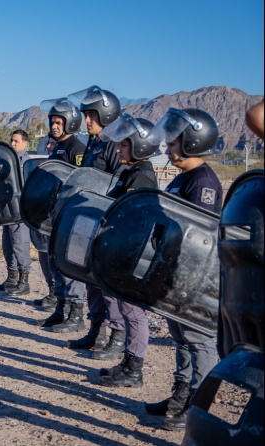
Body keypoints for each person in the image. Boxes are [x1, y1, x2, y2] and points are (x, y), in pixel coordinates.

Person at [143, 107, 222, 431]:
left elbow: (197, 237)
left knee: (199, 340)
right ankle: (181, 394)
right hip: (174, 272)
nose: (168, 148)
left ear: (193, 142)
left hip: (194, 277)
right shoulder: (182, 177)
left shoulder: (203, 182)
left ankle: (198, 408)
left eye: (174, 143)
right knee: (181, 338)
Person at [94, 114, 160, 388]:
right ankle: (127, 362)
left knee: (133, 311)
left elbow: (128, 215)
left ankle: (135, 368)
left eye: (123, 145)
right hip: (124, 251)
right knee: (126, 308)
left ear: (139, 147)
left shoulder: (142, 177)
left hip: (134, 254)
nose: (118, 150)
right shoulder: (132, 173)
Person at [65, 86, 125, 355]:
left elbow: (117, 186)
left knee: (107, 286)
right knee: (91, 282)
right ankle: (96, 332)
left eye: (91, 115)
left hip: (106, 225)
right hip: (89, 223)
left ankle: (118, 337)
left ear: (106, 115)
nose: (86, 120)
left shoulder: (114, 146)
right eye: (85, 114)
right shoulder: (94, 143)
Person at [34, 98, 86, 332]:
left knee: (69, 265)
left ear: (70, 123)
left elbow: (81, 182)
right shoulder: (57, 147)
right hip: (55, 215)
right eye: (52, 122)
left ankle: (76, 314)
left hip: (69, 216)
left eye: (59, 122)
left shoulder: (77, 148)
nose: (54, 126)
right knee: (56, 264)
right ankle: (60, 308)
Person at [0, 130, 32, 296]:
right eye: (11, 140)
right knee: (8, 245)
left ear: (25, 143)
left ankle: (24, 282)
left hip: (20, 212)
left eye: (16, 141)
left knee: (20, 244)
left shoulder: (27, 163)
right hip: (7, 210)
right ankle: (11, 278)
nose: (12, 144)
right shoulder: (8, 160)